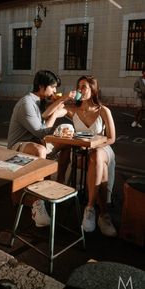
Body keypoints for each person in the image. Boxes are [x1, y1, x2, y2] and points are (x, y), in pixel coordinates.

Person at [7, 70, 74, 227]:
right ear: (42, 86)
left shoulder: (39, 102)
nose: (55, 91)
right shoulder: (27, 103)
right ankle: (37, 204)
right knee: (40, 151)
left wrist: (59, 108)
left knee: (66, 142)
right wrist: (55, 114)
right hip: (17, 146)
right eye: (53, 87)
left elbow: (43, 128)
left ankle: (59, 183)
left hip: (35, 142)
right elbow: (41, 132)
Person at [62, 75, 117, 237]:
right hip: (83, 152)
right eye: (79, 86)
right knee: (97, 163)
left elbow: (111, 138)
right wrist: (65, 98)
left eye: (84, 86)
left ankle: (90, 207)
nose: (80, 89)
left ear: (93, 90)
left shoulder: (103, 110)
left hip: (103, 149)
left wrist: (93, 146)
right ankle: (102, 214)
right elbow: (47, 114)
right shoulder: (73, 109)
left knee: (97, 154)